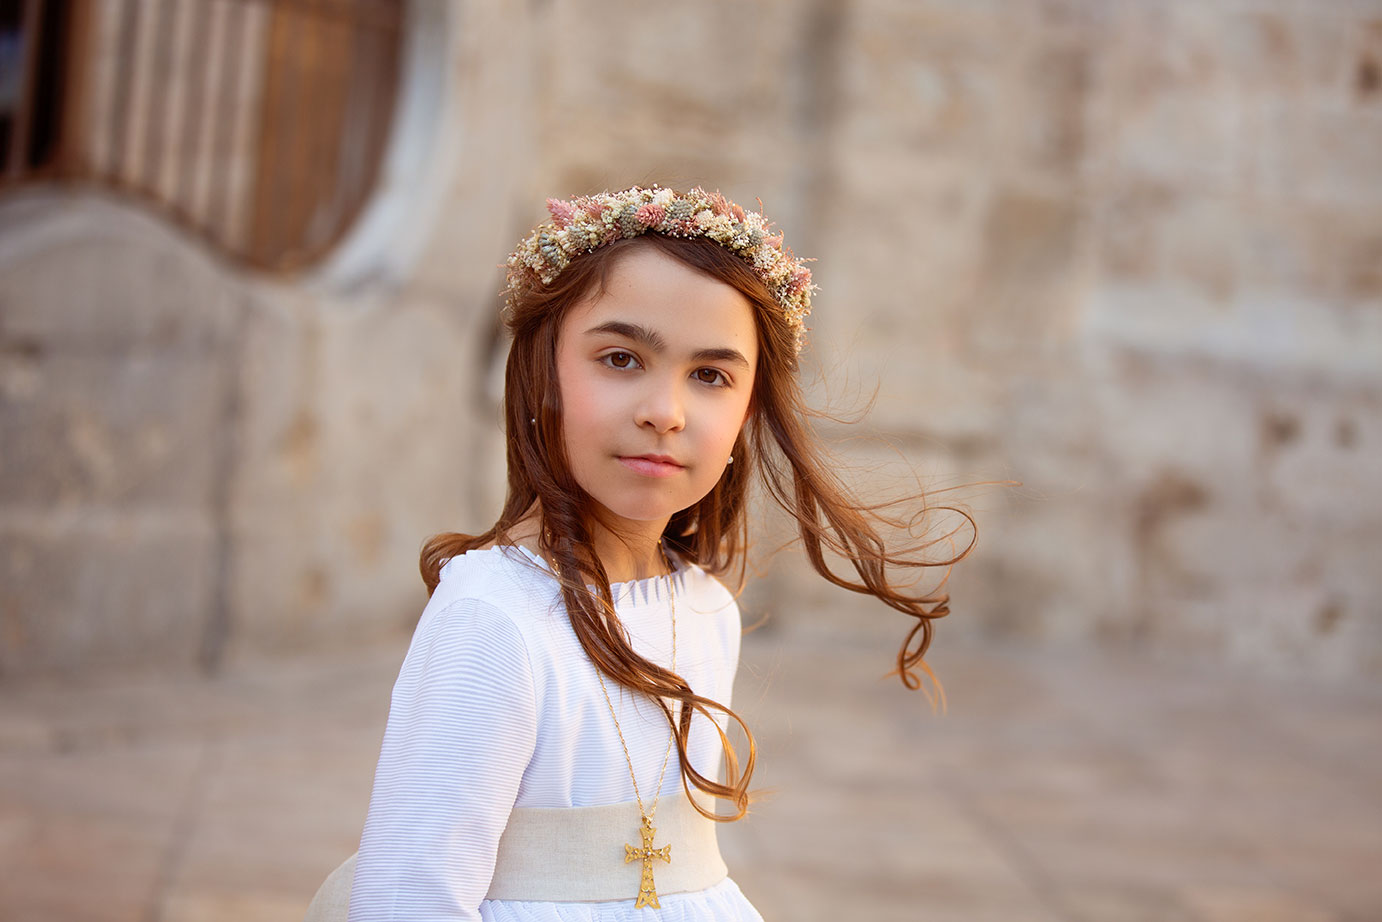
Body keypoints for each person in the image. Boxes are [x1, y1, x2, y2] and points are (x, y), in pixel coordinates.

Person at [308, 186, 973, 922]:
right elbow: (407, 898)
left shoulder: (707, 608)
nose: (665, 412)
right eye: (621, 358)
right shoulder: (493, 618)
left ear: (748, 409)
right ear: (543, 374)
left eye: (711, 375)